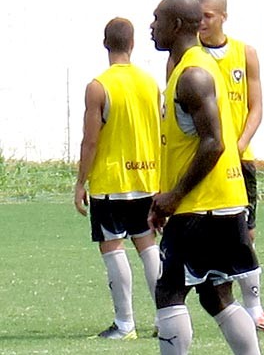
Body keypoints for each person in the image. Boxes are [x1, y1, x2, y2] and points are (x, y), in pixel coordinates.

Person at [149, 0, 262, 355]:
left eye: (157, 20)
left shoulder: (193, 75)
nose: (151, 27)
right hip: (220, 202)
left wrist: (174, 196)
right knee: (216, 295)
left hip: (201, 206)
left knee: (169, 290)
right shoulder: (193, 67)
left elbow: (212, 144)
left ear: (177, 25)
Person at [197, 0, 264, 336]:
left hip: (239, 160)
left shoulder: (245, 53)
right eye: (198, 15)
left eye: (207, 15)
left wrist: (240, 143)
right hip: (202, 161)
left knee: (245, 233)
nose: (201, 22)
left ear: (223, 16)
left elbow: (256, 106)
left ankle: (255, 310)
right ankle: (208, 300)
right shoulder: (189, 55)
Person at [73, 17, 161, 340]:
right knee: (147, 245)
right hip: (148, 177)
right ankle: (165, 318)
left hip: (111, 182)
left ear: (105, 43)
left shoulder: (99, 86)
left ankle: (125, 324)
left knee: (112, 246)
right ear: (133, 44)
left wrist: (81, 181)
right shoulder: (150, 83)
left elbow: (91, 139)